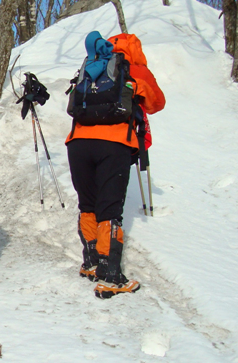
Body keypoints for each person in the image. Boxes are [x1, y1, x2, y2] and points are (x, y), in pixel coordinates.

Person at [65, 32, 165, 299]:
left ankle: (92, 261)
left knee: (88, 204)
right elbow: (157, 103)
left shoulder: (93, 64)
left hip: (77, 143)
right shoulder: (134, 68)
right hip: (114, 143)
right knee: (109, 209)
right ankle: (112, 276)